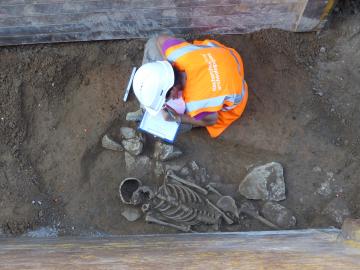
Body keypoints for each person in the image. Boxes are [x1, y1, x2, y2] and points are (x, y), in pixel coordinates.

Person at [128, 35, 248, 138]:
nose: (167, 102)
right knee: (152, 43)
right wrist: (165, 64)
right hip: (228, 56)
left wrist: (178, 117)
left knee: (183, 122)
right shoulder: (175, 53)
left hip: (237, 88)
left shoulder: (195, 104)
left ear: (174, 89)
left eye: (166, 99)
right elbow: (159, 40)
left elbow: (212, 120)